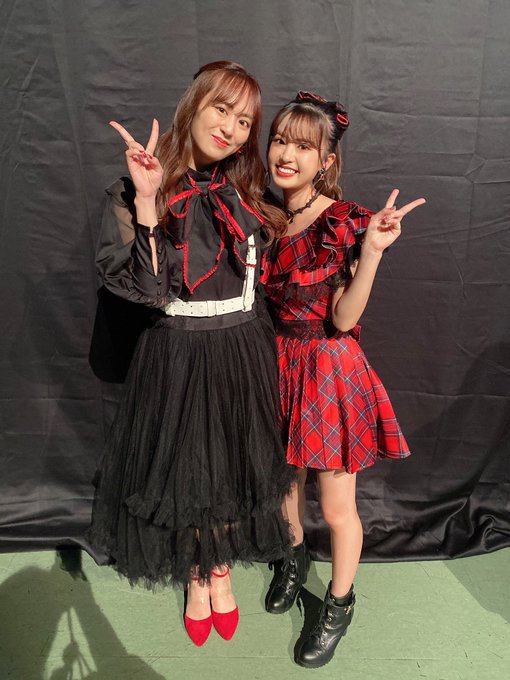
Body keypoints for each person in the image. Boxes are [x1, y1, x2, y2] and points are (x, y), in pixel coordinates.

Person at [86, 61, 295, 647]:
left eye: (244, 120)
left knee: (232, 462)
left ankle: (220, 568)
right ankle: (197, 576)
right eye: (221, 109)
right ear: (194, 105)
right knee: (187, 467)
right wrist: (149, 198)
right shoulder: (136, 190)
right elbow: (149, 291)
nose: (230, 127)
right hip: (176, 349)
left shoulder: (249, 194)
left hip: (242, 347)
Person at [262, 91, 425, 668]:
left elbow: (344, 317)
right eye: (280, 140)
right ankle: (293, 559)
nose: (287, 155)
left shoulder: (344, 222)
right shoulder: (265, 215)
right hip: (279, 362)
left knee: (336, 506)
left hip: (329, 369)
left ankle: (338, 604)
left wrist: (372, 251)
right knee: (285, 482)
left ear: (326, 160)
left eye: (303, 147)